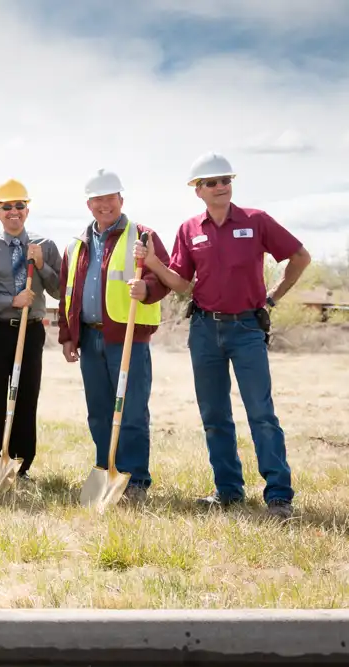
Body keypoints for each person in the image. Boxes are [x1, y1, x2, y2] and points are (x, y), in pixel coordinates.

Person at [133, 153, 311, 518]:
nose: (221, 187)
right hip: (203, 329)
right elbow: (182, 282)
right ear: (197, 190)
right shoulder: (189, 229)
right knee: (214, 413)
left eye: (226, 180)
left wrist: (272, 298)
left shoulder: (256, 221)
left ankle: (279, 495)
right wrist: (152, 264)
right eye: (212, 182)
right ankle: (228, 490)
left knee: (261, 413)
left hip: (247, 328)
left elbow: (300, 257)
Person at [57, 169, 172, 504]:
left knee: (132, 409)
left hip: (127, 338)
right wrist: (68, 336)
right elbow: (68, 294)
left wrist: (147, 287)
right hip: (90, 340)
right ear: (88, 204)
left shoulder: (143, 236)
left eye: (110, 198)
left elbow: (163, 278)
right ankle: (105, 469)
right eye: (97, 200)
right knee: (99, 410)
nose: (104, 205)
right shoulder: (76, 245)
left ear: (121, 199)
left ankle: (134, 478)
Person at [0, 179, 62, 481]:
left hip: (31, 330)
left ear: (27, 210)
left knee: (26, 394)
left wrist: (41, 264)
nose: (13, 211)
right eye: (6, 207)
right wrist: (12, 300)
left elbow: (60, 290)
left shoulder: (45, 246)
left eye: (19, 206)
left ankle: (22, 464)